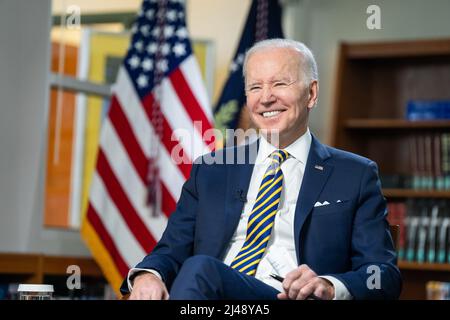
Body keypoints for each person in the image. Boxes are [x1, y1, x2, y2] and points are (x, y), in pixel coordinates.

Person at [120, 38, 401, 300]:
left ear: (311, 94)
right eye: (255, 87)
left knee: (202, 268)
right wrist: (149, 275)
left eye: (279, 84)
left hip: (285, 295)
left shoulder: (355, 175)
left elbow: (383, 274)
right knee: (200, 270)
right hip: (212, 296)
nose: (265, 98)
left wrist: (329, 285)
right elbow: (170, 251)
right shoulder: (211, 170)